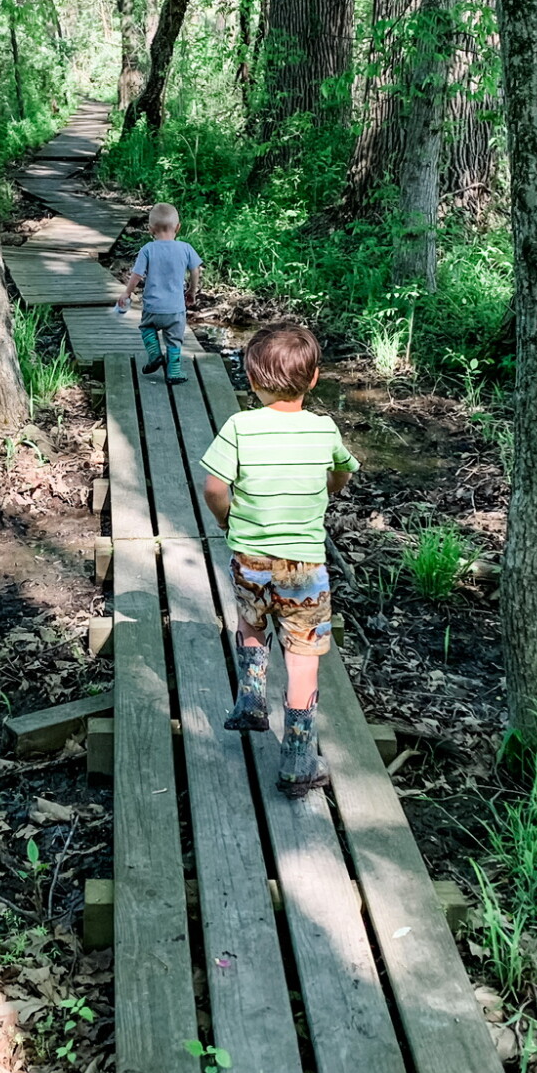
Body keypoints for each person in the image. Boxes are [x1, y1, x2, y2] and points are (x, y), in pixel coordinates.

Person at [200, 324, 358, 797]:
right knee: (304, 657)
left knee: (252, 622)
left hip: (251, 557)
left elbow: (214, 487)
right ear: (313, 380)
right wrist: (326, 491)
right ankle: (297, 760)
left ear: (252, 380)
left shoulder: (239, 426)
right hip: (305, 567)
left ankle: (250, 696)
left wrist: (229, 521)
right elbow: (342, 471)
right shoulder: (323, 428)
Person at [114, 203, 202, 383]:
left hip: (153, 308)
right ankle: (174, 373)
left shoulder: (147, 249)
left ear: (150, 229)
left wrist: (127, 293)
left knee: (147, 328)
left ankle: (154, 354)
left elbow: (137, 275)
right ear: (178, 227)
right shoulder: (185, 248)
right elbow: (195, 270)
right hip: (176, 310)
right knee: (174, 340)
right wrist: (192, 291)